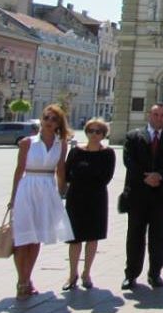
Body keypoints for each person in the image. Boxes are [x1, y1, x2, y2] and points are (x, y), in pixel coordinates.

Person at [8, 103, 74, 299]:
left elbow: (60, 170)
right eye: (46, 118)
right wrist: (13, 197)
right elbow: (19, 170)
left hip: (47, 190)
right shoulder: (27, 142)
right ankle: (22, 281)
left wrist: (62, 192)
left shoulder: (60, 144)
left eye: (53, 119)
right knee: (22, 239)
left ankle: (27, 279)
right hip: (27, 189)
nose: (48, 122)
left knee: (36, 238)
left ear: (58, 123)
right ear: (41, 120)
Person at [122, 103, 163, 290]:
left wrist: (159, 175)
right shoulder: (133, 136)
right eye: (156, 114)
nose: (159, 118)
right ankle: (131, 274)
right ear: (149, 115)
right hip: (138, 193)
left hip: (161, 196)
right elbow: (129, 161)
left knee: (158, 237)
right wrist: (145, 177)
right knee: (135, 236)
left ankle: (155, 274)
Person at [63, 117, 116, 290]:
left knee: (92, 237)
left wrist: (84, 179)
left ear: (103, 134)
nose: (94, 134)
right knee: (74, 238)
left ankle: (86, 273)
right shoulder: (76, 151)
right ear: (86, 132)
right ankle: (72, 274)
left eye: (98, 131)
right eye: (90, 131)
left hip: (96, 198)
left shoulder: (108, 153)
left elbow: (106, 177)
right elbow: (66, 173)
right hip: (75, 198)